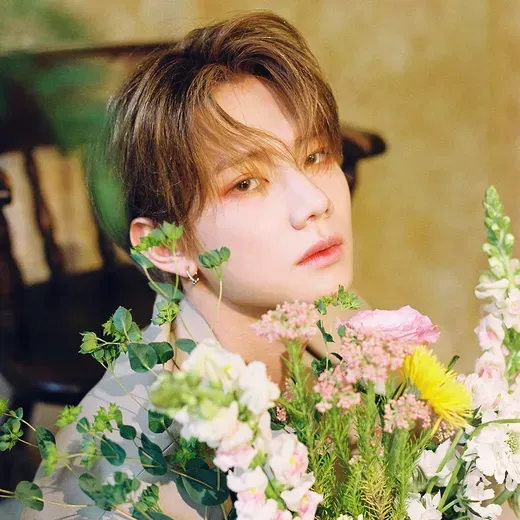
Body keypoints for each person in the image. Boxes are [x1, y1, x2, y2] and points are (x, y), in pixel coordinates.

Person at [22, 10, 375, 519]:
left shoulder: (340, 317)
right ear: (167, 246)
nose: (315, 202)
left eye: (315, 155)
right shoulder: (138, 468)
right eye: (245, 183)